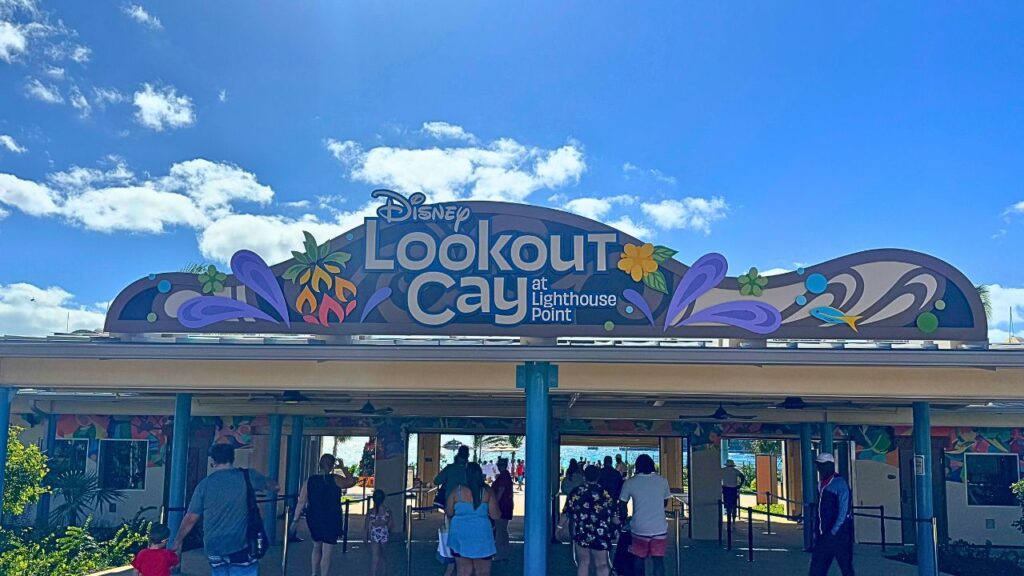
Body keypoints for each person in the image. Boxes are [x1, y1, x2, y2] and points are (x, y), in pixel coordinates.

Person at [173, 443, 277, 576]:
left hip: (213, 546)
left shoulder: (204, 484)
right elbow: (275, 487)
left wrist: (178, 539)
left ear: (213, 461)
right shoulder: (247, 476)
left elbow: (191, 518)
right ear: (232, 458)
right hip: (240, 545)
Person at [292, 454, 359, 576]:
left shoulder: (310, 480)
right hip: (331, 517)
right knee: (327, 552)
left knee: (316, 546)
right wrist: (343, 468)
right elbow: (351, 482)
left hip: (314, 517)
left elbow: (301, 501)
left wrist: (295, 520)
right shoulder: (336, 479)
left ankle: (313, 573)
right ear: (332, 465)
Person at [557, 465, 620, 576]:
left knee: (583, 563)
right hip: (601, 533)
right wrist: (620, 528)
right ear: (598, 477)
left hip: (582, 532)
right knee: (602, 564)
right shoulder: (606, 493)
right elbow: (614, 515)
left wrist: (559, 528)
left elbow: (566, 512)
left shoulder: (576, 492)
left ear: (584, 476)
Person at [619, 454, 671, 576]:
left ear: (637, 466)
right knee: (658, 561)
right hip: (659, 527)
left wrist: (624, 519)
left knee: (638, 559)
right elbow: (665, 502)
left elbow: (622, 503)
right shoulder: (662, 481)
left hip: (639, 527)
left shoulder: (630, 482)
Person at [446, 462, 501, 576]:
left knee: (463, 571)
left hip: (460, 534)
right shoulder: (487, 491)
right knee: (483, 572)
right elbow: (495, 515)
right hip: (482, 534)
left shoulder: (457, 491)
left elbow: (449, 512)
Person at [809, 453, 854, 576]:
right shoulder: (821, 484)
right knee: (816, 569)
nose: (819, 468)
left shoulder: (840, 484)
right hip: (823, 535)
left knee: (846, 568)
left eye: (821, 465)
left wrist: (833, 532)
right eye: (818, 465)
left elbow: (843, 511)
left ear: (830, 465)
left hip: (839, 536)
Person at [365, 489, 394, 576]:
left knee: (375, 556)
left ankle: (373, 573)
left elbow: (366, 525)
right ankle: (384, 572)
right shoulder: (387, 511)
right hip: (384, 533)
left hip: (374, 534)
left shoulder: (370, 512)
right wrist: (386, 529)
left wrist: (365, 535)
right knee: (383, 554)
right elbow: (391, 524)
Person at [491, 457, 514, 561]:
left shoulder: (504, 477)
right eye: (499, 465)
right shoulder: (505, 476)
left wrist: (494, 504)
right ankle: (504, 552)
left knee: (500, 531)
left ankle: (500, 553)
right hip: (506, 506)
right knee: (503, 531)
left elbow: (500, 491)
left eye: (501, 465)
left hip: (501, 506)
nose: (499, 467)